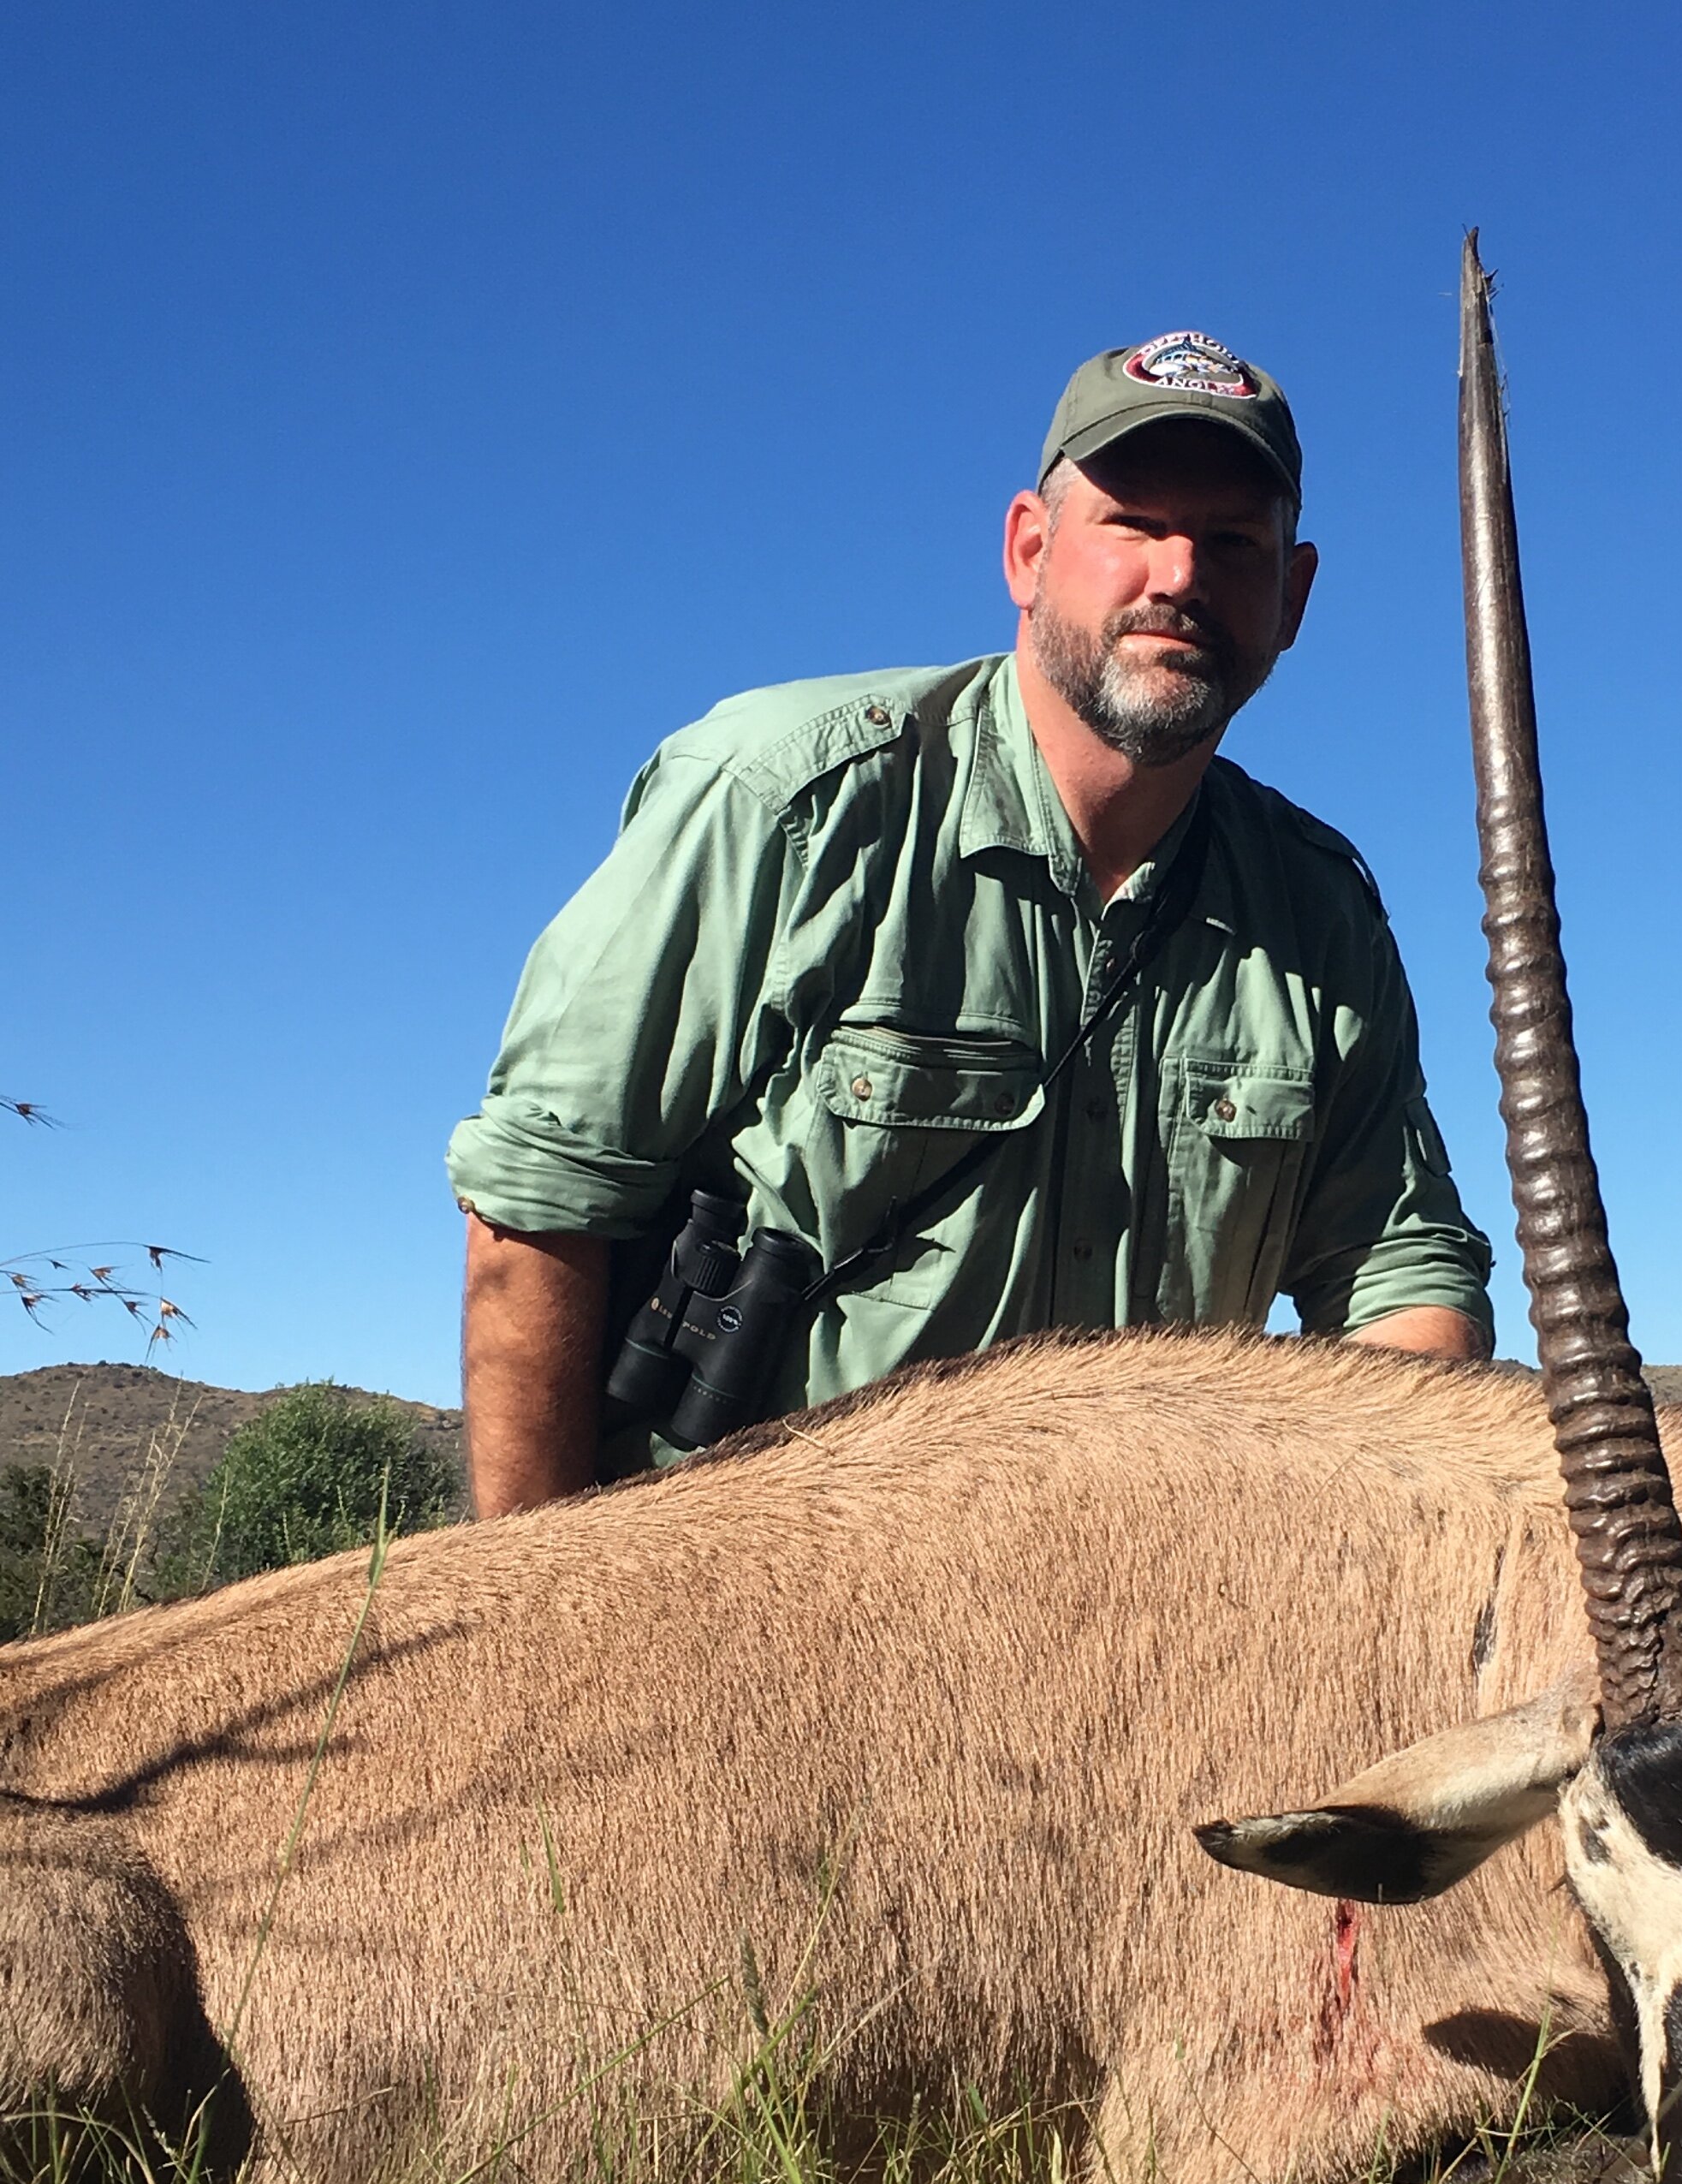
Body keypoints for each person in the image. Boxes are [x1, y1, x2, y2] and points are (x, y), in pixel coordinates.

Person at [448, 330, 1495, 1517]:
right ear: (1030, 551)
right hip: (754, 1603)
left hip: (1149, 1627)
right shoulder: (780, 798)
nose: (1180, 573)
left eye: (1233, 541)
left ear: (1293, 596)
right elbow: (541, 1202)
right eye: (1135, 523)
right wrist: (551, 1614)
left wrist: (1344, 1526)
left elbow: (1399, 1269)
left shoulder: (1319, 911)